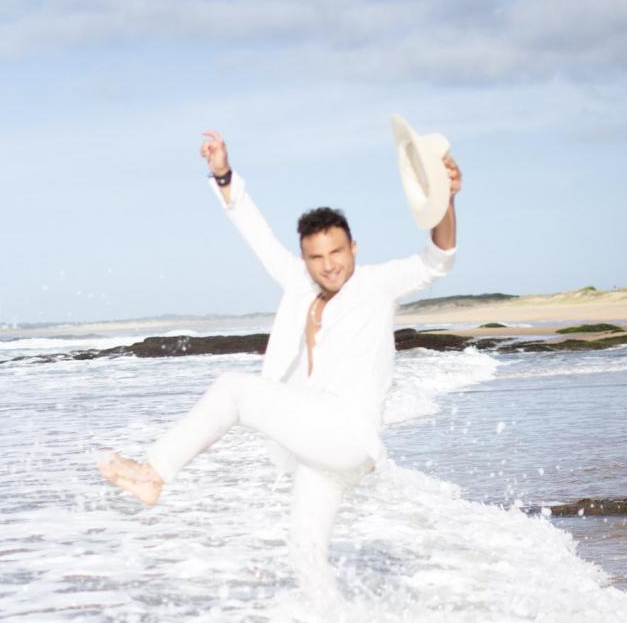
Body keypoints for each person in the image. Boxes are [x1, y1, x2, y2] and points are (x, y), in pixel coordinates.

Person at [97, 129, 461, 590]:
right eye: (316, 257)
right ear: (305, 259)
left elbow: (438, 258)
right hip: (320, 447)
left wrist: (445, 201)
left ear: (353, 248)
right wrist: (224, 176)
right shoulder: (299, 286)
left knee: (234, 389)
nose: (329, 265)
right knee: (305, 553)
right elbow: (257, 234)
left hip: (346, 432)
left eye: (337, 252)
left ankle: (154, 472)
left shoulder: (376, 286)